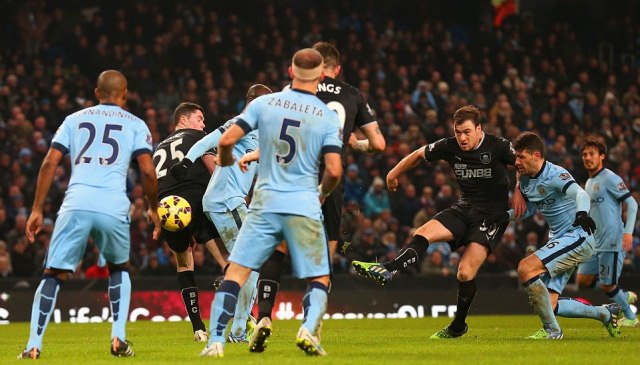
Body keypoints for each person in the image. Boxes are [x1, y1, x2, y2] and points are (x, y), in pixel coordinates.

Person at [199, 48, 342, 358]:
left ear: (290, 73)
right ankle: (308, 328)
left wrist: (225, 162)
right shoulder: (326, 115)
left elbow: (225, 142)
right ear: (320, 78)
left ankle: (216, 342)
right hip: (303, 203)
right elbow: (333, 170)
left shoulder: (263, 104)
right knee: (318, 276)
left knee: (236, 272)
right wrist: (321, 195)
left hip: (264, 203)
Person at [19, 70, 161, 359]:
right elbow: (147, 170)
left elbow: (49, 162)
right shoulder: (136, 124)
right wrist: (153, 207)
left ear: (97, 93)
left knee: (53, 273)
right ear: (124, 94)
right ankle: (118, 338)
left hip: (77, 201)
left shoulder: (74, 119)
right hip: (113, 204)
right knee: (119, 268)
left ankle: (33, 345)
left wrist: (36, 209)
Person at [352, 104, 525, 339]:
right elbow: (418, 155)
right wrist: (393, 173)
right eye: (458, 132)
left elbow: (523, 165)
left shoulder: (499, 145)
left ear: (478, 129)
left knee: (464, 273)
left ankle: (458, 325)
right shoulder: (450, 146)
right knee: (423, 232)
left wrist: (518, 190)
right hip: (464, 208)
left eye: (466, 132)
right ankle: (389, 269)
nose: (462, 138)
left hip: (491, 216)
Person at [253, 40, 386, 328]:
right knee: (324, 255)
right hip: (330, 176)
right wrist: (354, 143)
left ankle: (264, 315)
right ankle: (311, 325)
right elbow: (378, 143)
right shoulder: (352, 94)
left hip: (291, 175)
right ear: (337, 68)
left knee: (278, 247)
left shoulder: (291, 93)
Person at [484, 132, 621, 339]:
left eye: (521, 157)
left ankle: (553, 331)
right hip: (560, 240)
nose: (517, 162)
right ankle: (605, 313)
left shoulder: (556, 174)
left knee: (525, 268)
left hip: (577, 236)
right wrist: (504, 217)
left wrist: (582, 213)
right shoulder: (527, 181)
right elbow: (529, 210)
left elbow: (580, 194)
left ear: (536, 155)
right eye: (516, 157)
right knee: (550, 304)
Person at [170, 84, 273, 342]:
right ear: (254, 102)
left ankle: (237, 316)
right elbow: (207, 141)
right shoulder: (242, 121)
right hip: (225, 200)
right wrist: (185, 162)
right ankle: (238, 329)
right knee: (251, 262)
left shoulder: (260, 127)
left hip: (226, 200)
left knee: (248, 263)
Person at [152, 101, 227, 343]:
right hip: (196, 198)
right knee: (226, 260)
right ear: (184, 119)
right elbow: (213, 167)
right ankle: (243, 318)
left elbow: (152, 185)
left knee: (184, 265)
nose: (203, 124)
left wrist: (155, 221)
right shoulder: (197, 136)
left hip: (167, 208)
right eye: (199, 118)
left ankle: (198, 328)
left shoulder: (158, 148)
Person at [576, 137, 638, 327]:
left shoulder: (610, 178)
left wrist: (628, 232)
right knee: (583, 280)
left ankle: (631, 317)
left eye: (592, 154)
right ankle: (624, 296)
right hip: (595, 242)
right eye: (585, 154)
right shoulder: (589, 182)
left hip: (612, 240)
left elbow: (632, 203)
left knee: (607, 285)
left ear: (602, 156)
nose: (588, 158)